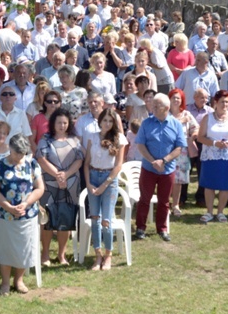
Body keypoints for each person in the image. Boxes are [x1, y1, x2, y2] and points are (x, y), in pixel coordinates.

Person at [0, 134, 44, 296]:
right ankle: (5, 282)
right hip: (5, 215)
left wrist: (26, 204)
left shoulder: (32, 164)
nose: (19, 157)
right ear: (10, 148)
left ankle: (18, 280)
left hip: (27, 215)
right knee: (6, 248)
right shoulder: (0, 166)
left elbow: (39, 188)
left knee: (23, 248)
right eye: (16, 153)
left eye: (22, 154)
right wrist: (7, 206)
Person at [134, 93, 187, 242]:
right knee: (145, 199)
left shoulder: (176, 124)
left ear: (167, 108)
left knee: (164, 201)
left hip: (167, 169)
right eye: (153, 105)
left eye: (157, 106)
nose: (153, 108)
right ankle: (140, 227)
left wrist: (164, 161)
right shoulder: (146, 123)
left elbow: (179, 147)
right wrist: (153, 162)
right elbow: (140, 145)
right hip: (149, 169)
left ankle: (162, 229)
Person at [35, 108, 83, 266]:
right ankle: (45, 254)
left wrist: (66, 175)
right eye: (59, 123)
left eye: (65, 123)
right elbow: (41, 158)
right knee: (47, 219)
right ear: (53, 123)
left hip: (70, 185)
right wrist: (58, 175)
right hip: (49, 185)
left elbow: (79, 160)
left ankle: (62, 255)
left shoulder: (74, 140)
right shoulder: (45, 139)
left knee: (65, 218)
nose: (62, 126)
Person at [83, 108, 126, 269]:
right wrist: (88, 183)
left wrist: (104, 185)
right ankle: (98, 255)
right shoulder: (93, 138)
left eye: (110, 121)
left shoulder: (119, 139)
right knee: (95, 218)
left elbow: (118, 165)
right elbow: (86, 163)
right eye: (105, 120)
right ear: (100, 121)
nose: (107, 124)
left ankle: (108, 255)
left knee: (106, 220)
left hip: (109, 180)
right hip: (93, 176)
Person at [196, 90, 228, 223]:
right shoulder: (208, 117)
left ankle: (221, 212)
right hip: (211, 156)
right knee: (209, 184)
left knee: (225, 185)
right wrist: (214, 143)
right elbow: (200, 137)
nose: (225, 104)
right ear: (215, 103)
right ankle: (209, 212)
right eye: (222, 102)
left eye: (227, 102)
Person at [167, 89, 198, 217]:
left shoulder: (187, 114)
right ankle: (165, 204)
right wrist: (180, 122)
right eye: (173, 97)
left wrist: (192, 137)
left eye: (178, 98)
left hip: (182, 151)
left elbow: (196, 128)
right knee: (166, 178)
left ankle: (176, 204)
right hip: (167, 150)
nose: (176, 100)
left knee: (178, 180)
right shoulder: (165, 114)